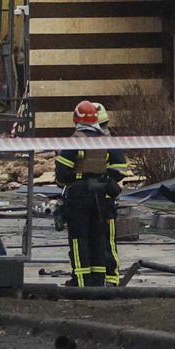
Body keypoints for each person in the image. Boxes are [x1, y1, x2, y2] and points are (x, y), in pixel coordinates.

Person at [53, 100, 130, 288]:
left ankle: (80, 280)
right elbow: (120, 167)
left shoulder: (74, 141)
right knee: (98, 237)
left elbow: (62, 172)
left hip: (79, 195)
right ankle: (98, 280)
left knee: (79, 238)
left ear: (76, 119)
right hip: (101, 195)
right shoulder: (104, 140)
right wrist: (106, 179)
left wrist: (69, 182)